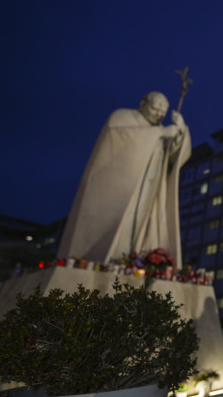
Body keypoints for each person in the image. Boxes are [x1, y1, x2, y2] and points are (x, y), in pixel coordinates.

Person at [57, 92, 191, 267]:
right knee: (122, 222)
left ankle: (132, 259)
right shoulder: (122, 117)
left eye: (162, 112)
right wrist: (159, 133)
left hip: (148, 186)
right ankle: (108, 258)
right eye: (155, 108)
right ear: (143, 103)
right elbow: (119, 136)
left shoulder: (159, 130)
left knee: (140, 224)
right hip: (122, 186)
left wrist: (181, 131)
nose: (158, 114)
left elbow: (172, 158)